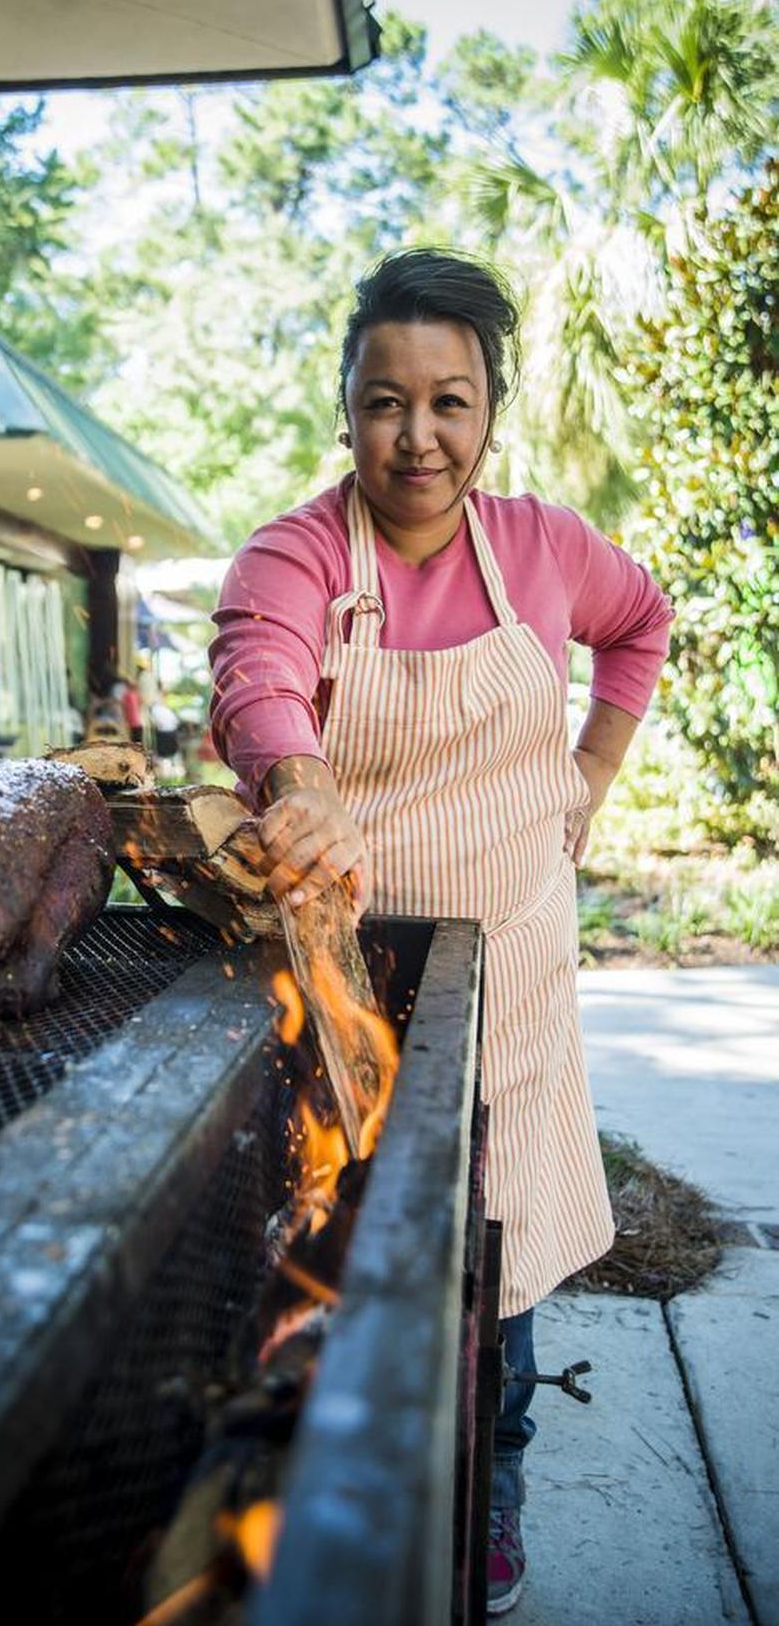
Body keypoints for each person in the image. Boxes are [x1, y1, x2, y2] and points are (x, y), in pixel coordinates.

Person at [209, 248, 672, 1616]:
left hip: (509, 964)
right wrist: (300, 787)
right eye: (384, 403)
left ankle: (494, 1498)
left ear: (491, 408)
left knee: (499, 1268)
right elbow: (258, 675)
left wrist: (592, 773)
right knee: (330, 1256)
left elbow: (639, 626)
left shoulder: (542, 549)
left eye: (450, 402)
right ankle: (314, 1505)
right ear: (345, 410)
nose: (418, 438)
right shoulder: (296, 553)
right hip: (342, 964)